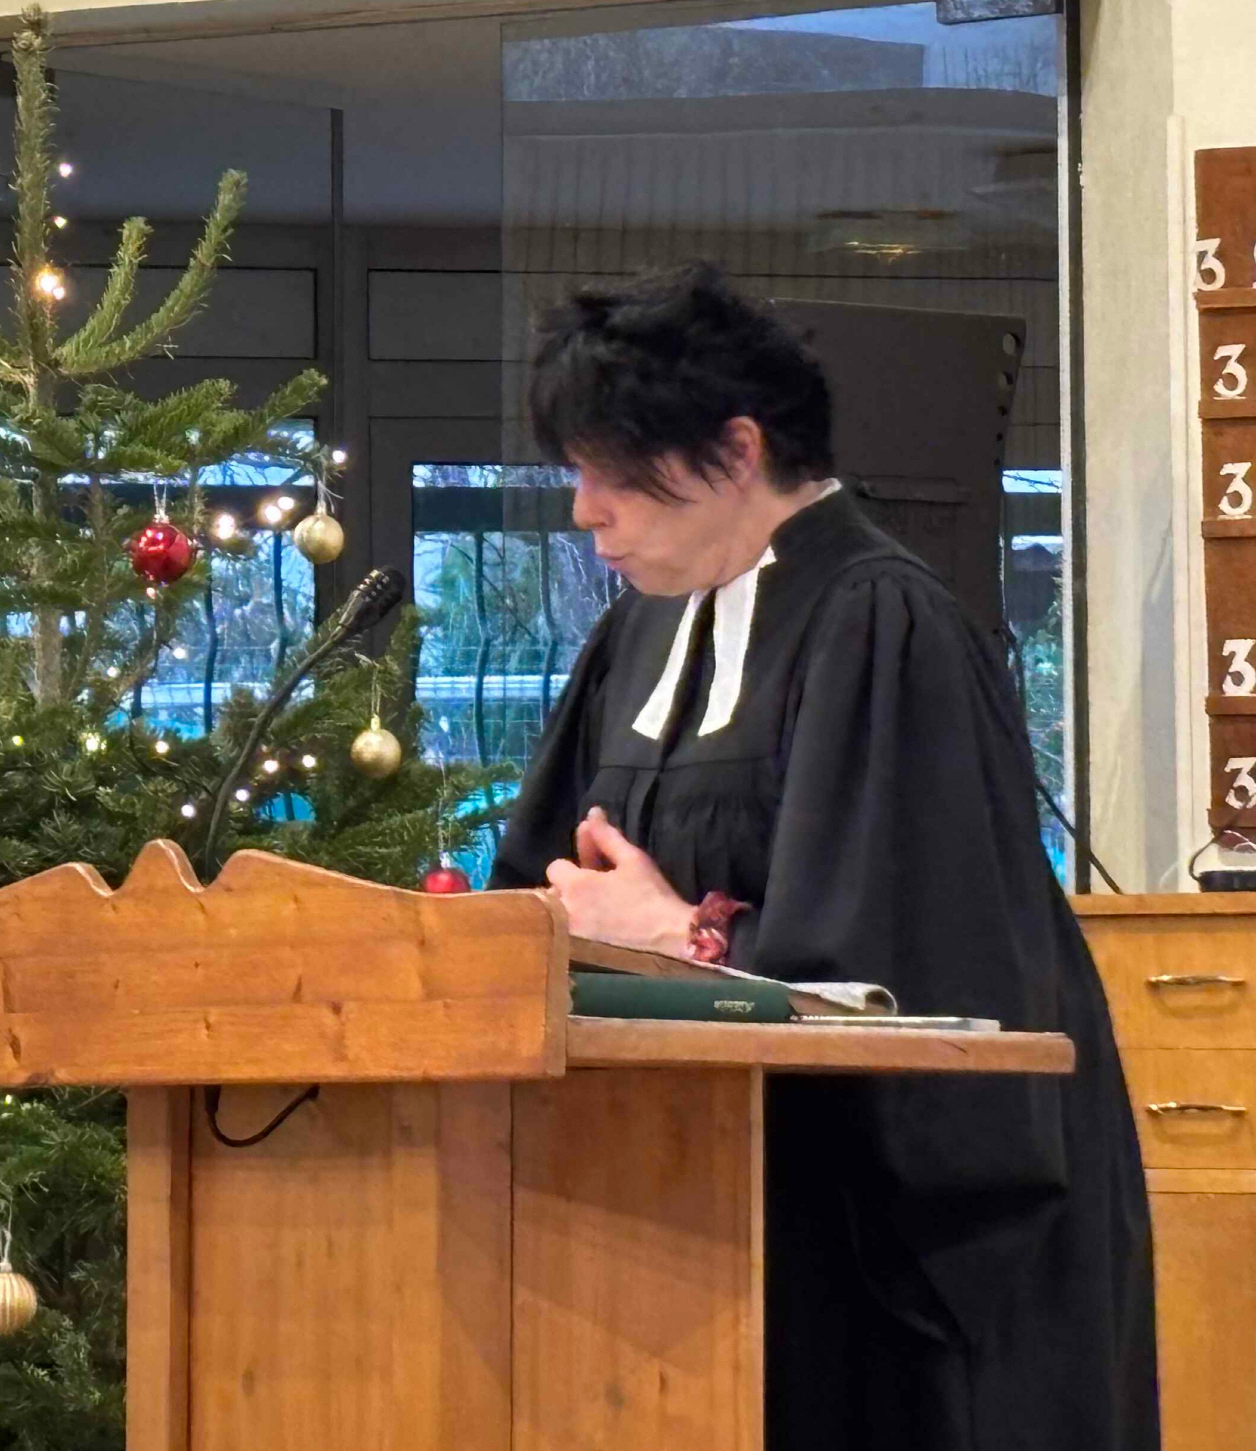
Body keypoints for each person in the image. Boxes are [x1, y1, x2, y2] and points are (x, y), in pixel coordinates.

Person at [491, 263, 1158, 1451]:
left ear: (735, 449)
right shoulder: (639, 628)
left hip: (882, 1236)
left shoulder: (880, 618)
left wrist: (675, 937)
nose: (584, 510)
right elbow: (540, 885)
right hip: (679, 1191)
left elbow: (916, 960)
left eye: (610, 471)